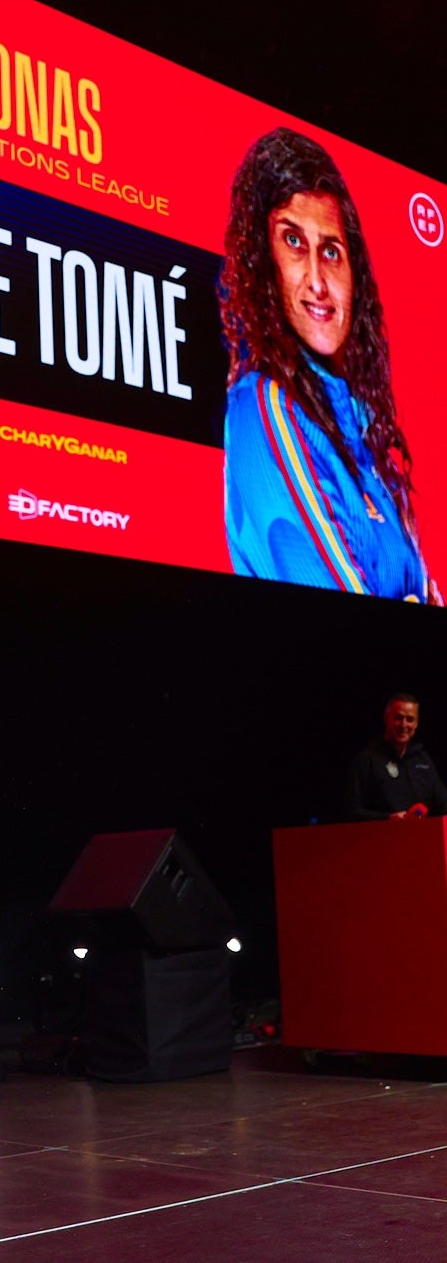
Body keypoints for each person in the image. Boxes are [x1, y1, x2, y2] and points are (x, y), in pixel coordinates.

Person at [218, 127, 435, 602]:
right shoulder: (268, 405)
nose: (317, 280)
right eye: (294, 243)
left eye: (331, 251)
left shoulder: (361, 428)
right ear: (265, 265)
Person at [345, 693, 447, 821]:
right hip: (382, 838)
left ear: (416, 723)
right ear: (386, 718)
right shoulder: (367, 760)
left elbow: (443, 805)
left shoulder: (423, 760)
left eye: (410, 719)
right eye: (398, 718)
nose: (404, 725)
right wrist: (387, 818)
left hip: (420, 838)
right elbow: (351, 812)